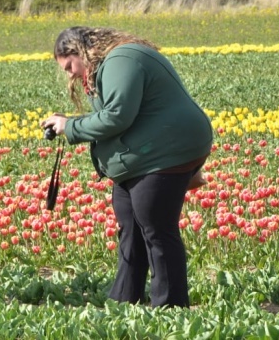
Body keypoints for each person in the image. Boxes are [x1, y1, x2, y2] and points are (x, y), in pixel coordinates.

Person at [40, 26, 212, 308]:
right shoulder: (109, 65)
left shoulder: (122, 60)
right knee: (130, 224)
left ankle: (170, 308)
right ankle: (123, 302)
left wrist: (70, 126)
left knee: (156, 227)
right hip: (147, 152)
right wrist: (69, 121)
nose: (70, 73)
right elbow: (117, 112)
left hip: (167, 151)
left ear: (80, 51)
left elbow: (118, 116)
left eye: (70, 65)